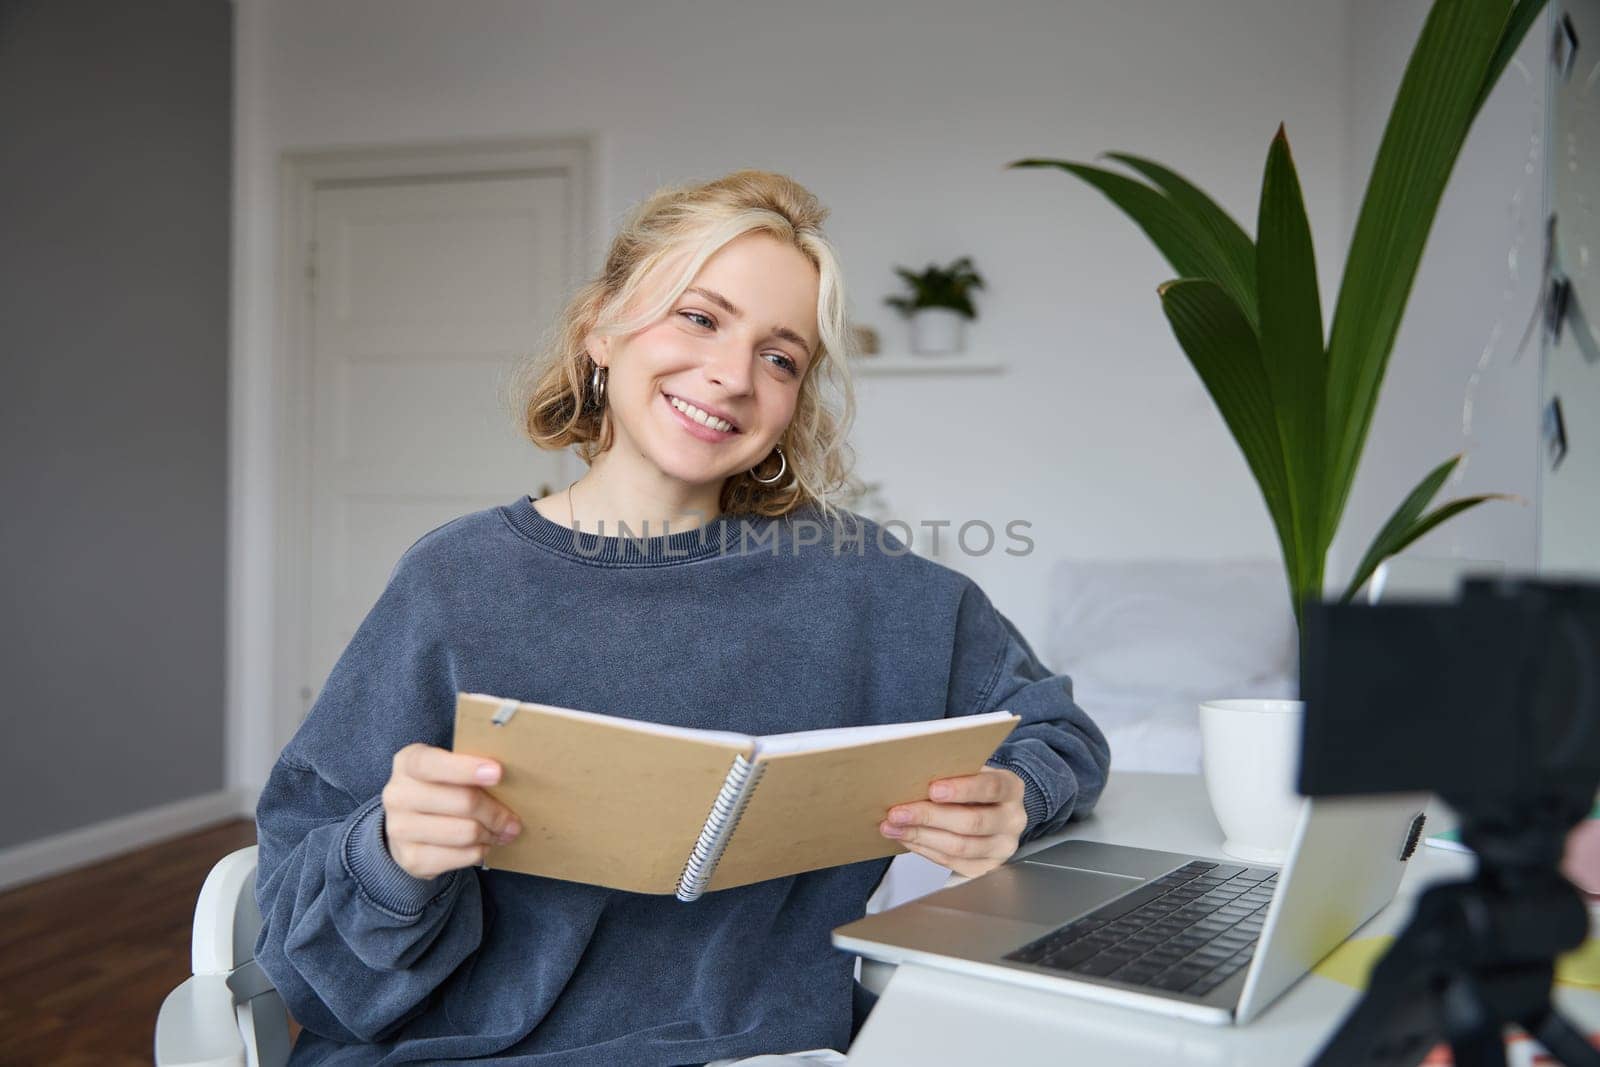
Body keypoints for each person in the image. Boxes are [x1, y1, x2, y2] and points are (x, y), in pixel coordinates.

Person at [253, 169, 1111, 1066]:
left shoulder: (874, 589)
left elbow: (1058, 729)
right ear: (601, 327)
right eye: (699, 317)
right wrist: (393, 851)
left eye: (780, 356)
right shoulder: (455, 581)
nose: (732, 375)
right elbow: (304, 952)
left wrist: (1014, 794)